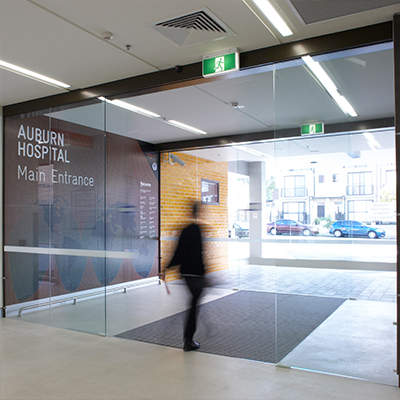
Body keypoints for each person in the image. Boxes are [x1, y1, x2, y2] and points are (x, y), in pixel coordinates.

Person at [160, 201, 206, 352]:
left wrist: (166, 268)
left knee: (193, 302)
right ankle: (188, 340)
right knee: (194, 304)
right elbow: (198, 255)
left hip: (186, 272)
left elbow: (178, 252)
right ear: (199, 212)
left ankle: (188, 338)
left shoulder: (185, 230)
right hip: (195, 273)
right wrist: (203, 273)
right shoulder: (197, 230)